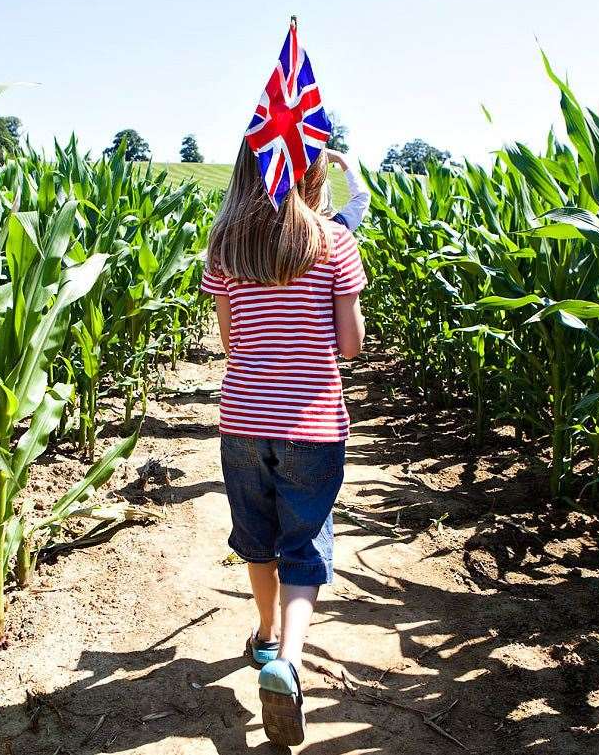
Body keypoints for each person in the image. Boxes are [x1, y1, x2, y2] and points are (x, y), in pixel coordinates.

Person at [201, 140, 367, 746]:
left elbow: (230, 341)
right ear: (314, 173)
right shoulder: (334, 243)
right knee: (303, 544)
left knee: (258, 536)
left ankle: (264, 633)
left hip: (243, 421)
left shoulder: (225, 248)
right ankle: (287, 663)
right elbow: (349, 346)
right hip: (312, 425)